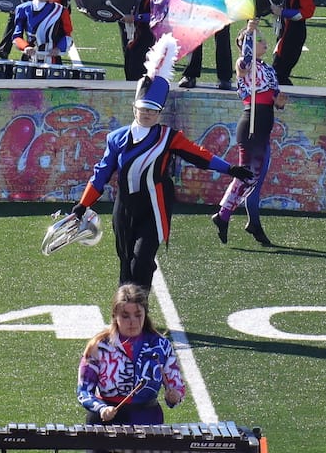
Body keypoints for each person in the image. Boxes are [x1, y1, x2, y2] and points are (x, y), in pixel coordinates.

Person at [70, 33, 254, 290]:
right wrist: (82, 205)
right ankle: (126, 317)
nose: (146, 114)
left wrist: (231, 169)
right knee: (125, 264)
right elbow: (100, 176)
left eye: (151, 110)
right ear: (134, 108)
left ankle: (140, 309)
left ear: (159, 112)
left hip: (155, 207)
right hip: (124, 209)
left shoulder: (169, 137)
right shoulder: (116, 138)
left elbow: (200, 156)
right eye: (142, 109)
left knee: (142, 262)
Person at [212, 19, 285, 246]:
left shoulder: (268, 69)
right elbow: (245, 59)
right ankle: (225, 215)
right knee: (248, 176)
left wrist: (280, 101)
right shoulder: (245, 64)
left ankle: (235, 218)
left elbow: (275, 99)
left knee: (253, 178)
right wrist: (250, 31)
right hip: (252, 125)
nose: (264, 43)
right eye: (259, 41)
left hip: (263, 126)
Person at [77, 284, 186, 427]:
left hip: (147, 419)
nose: (132, 321)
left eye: (138, 315)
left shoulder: (161, 345)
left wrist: (175, 396)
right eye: (125, 315)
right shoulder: (98, 346)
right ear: (115, 315)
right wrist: (101, 408)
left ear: (145, 314)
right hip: (106, 421)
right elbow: (84, 391)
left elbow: (176, 384)